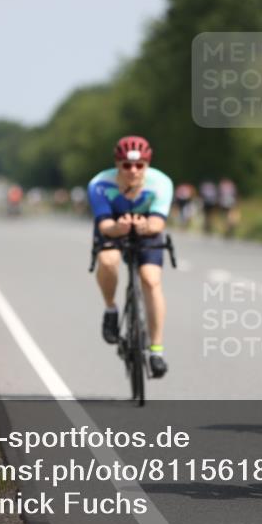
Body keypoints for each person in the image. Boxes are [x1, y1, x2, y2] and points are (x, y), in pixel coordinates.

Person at [88, 136, 174, 378]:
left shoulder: (161, 183)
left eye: (139, 166)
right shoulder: (99, 184)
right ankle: (111, 309)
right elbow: (104, 225)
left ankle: (156, 351)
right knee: (108, 260)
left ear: (147, 165)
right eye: (126, 165)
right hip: (114, 227)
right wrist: (119, 228)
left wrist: (145, 226)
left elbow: (158, 222)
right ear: (117, 164)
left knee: (150, 279)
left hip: (146, 229)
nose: (133, 171)